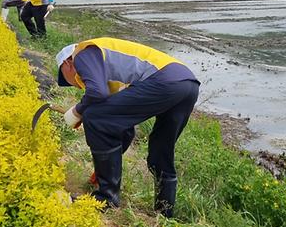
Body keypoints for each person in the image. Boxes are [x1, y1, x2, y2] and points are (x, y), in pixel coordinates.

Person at [56, 37, 200, 217]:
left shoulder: (83, 53)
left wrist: (78, 111)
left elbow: (97, 94)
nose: (74, 83)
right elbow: (123, 129)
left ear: (67, 62)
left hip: (165, 79)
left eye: (65, 77)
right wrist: (102, 170)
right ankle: (164, 215)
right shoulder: (111, 75)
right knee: (160, 151)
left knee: (95, 116)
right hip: (187, 83)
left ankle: (106, 199)